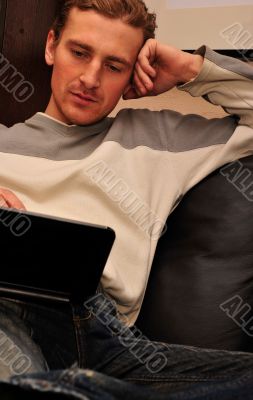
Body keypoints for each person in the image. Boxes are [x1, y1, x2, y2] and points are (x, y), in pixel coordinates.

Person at [0, 0, 253, 398]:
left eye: (115, 66)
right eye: (79, 53)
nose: (90, 78)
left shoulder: (159, 138)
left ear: (134, 73)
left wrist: (192, 69)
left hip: (108, 341)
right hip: (10, 303)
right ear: (51, 46)